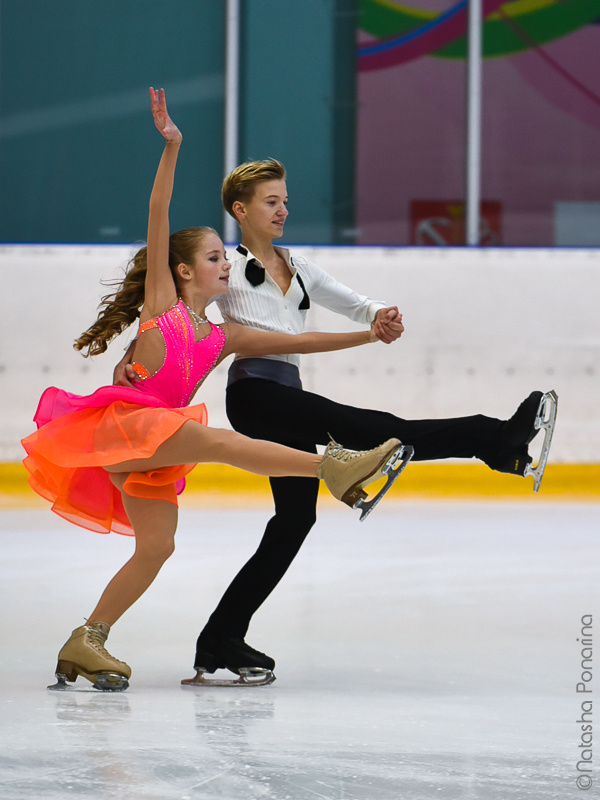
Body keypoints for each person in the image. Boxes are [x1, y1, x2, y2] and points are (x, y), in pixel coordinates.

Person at [114, 114, 556, 689]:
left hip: (287, 395)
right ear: (240, 210)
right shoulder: (225, 273)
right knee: (379, 428)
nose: (281, 209)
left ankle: (220, 637)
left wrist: (377, 317)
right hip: (258, 396)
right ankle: (494, 438)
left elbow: (349, 301)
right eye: (270, 201)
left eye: (285, 200)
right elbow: (189, 309)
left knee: (295, 520)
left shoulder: (296, 266)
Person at [21, 89, 409, 692]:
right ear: (182, 270)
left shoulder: (221, 334)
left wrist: (366, 335)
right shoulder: (161, 311)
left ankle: (87, 639)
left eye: (222, 259)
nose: (224, 264)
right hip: (131, 427)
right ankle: (335, 467)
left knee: (156, 548)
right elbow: (158, 210)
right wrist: (172, 147)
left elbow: (298, 344)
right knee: (221, 441)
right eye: (211, 258)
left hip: (157, 444)